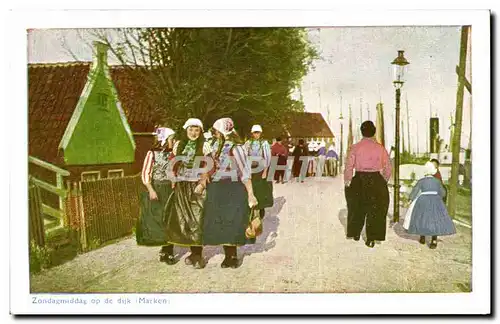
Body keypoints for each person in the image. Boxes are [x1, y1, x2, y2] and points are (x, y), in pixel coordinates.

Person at [203, 118, 258, 268]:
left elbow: (245, 171)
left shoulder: (237, 148)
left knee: (232, 221)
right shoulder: (214, 146)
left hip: (233, 187)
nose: (214, 133)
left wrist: (251, 194)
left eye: (216, 130)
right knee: (221, 221)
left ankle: (232, 256)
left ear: (222, 131)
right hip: (217, 187)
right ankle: (227, 254)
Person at [163, 118, 211, 269]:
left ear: (200, 131)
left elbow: (210, 165)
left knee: (196, 220)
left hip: (196, 186)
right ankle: (169, 250)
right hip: (181, 184)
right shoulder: (178, 145)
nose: (193, 133)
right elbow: (172, 163)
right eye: (191, 129)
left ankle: (197, 254)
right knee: (178, 217)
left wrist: (202, 183)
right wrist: (173, 179)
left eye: (197, 130)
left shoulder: (205, 145)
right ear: (186, 130)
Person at [344, 121, 392, 248]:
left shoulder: (355, 147)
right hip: (376, 179)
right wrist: (384, 181)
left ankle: (355, 233)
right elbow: (388, 167)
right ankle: (371, 238)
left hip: (359, 178)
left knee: (356, 207)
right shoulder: (380, 148)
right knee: (375, 210)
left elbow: (349, 166)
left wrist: (348, 180)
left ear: (362, 131)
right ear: (374, 132)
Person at [136, 126, 176, 264]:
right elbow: (145, 172)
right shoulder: (152, 154)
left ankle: (169, 250)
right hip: (157, 188)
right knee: (159, 219)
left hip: (169, 189)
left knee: (170, 220)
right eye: (171, 138)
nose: (173, 141)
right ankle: (164, 249)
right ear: (164, 139)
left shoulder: (172, 153)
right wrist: (151, 189)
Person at [403, 161, 456, 249]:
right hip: (435, 200)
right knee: (434, 220)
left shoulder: (421, 181)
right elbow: (442, 193)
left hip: (423, 200)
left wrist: (409, 200)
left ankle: (422, 237)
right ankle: (434, 240)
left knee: (422, 218)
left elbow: (415, 191)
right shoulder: (437, 181)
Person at [244, 125, 274, 219]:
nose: (256, 134)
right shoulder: (248, 143)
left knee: (261, 190)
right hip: (251, 169)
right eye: (255, 132)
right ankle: (250, 208)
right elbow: (244, 155)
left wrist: (265, 171)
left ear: (260, 133)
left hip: (261, 169)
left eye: (258, 132)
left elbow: (267, 157)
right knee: (251, 188)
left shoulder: (264, 143)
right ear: (252, 133)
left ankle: (261, 209)